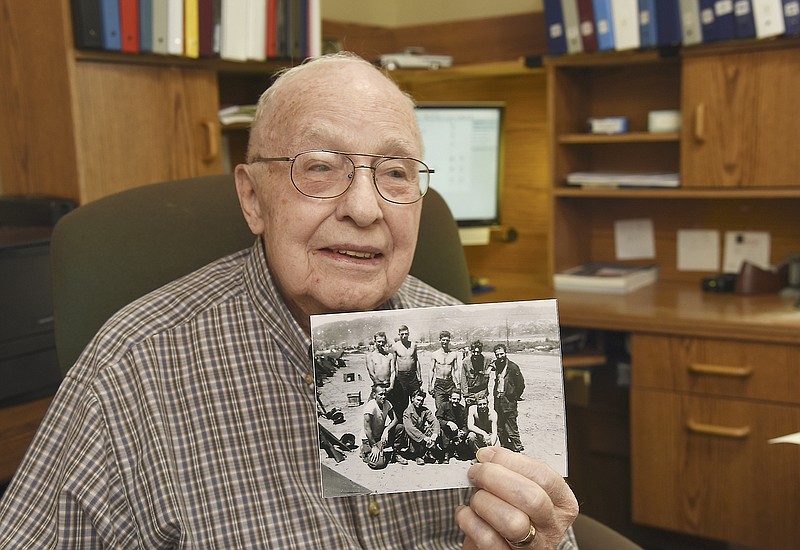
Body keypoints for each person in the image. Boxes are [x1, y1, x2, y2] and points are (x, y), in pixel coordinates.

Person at [0, 53, 577, 549]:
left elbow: (553, 530)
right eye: (321, 168)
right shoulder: (133, 369)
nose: (366, 209)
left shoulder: (479, 355)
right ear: (252, 199)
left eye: (396, 174)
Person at [360, 382, 407, 468]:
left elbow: (395, 419)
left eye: (385, 394)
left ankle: (395, 453)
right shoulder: (370, 407)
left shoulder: (387, 403)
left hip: (380, 435)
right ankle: (365, 451)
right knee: (378, 464)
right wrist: (374, 446)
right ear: (374, 395)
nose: (383, 397)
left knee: (400, 427)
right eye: (380, 394)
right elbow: (367, 430)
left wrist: (386, 430)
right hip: (369, 439)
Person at [492, 343, 526, 453]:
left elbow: (520, 384)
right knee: (500, 426)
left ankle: (517, 447)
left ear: (506, 353)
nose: (500, 356)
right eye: (497, 355)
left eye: (501, 354)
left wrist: (514, 396)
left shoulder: (512, 367)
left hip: (509, 401)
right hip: (498, 400)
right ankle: (504, 447)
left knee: (511, 426)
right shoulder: (497, 365)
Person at [403, 389, 444, 465]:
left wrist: (434, 435)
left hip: (421, 433)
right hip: (412, 435)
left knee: (433, 430)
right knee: (414, 439)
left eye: (422, 401)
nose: (420, 402)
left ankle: (428, 452)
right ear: (412, 399)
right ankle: (417, 456)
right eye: (418, 400)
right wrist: (424, 437)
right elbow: (410, 428)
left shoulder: (424, 410)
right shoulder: (407, 412)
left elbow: (434, 421)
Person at [391, 324, 421, 413]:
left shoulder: (413, 345)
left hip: (413, 376)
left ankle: (416, 421)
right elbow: (393, 363)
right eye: (402, 334)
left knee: (416, 399)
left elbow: (416, 361)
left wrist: (419, 376)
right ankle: (402, 423)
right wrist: (394, 377)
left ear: (409, 334)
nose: (404, 336)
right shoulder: (395, 346)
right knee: (402, 401)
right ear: (399, 334)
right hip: (401, 377)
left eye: (406, 334)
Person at [429, 330, 461, 414]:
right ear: (440, 340)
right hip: (439, 383)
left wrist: (458, 385)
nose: (445, 342)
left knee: (451, 406)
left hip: (450, 383)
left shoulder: (453, 354)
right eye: (443, 340)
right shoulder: (435, 354)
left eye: (447, 340)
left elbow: (456, 370)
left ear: (449, 340)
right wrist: (430, 385)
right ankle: (440, 426)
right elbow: (431, 370)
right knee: (439, 407)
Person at [436, 390, 470, 462]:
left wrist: (463, 432)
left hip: (457, 432)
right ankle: (446, 452)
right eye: (454, 399)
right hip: (446, 430)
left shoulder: (462, 409)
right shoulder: (444, 406)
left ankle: (456, 449)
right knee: (442, 431)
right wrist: (447, 423)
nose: (456, 401)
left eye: (458, 399)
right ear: (450, 398)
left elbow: (465, 424)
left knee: (463, 454)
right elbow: (438, 419)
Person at [461, 339, 493, 408]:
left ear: (481, 352)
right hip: (470, 393)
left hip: (482, 392)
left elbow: (496, 362)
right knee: (469, 414)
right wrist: (466, 395)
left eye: (478, 352)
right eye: (474, 352)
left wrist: (490, 368)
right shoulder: (466, 362)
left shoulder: (486, 360)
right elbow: (463, 380)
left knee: (483, 413)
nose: (476, 354)